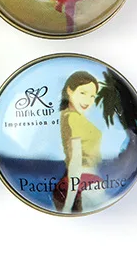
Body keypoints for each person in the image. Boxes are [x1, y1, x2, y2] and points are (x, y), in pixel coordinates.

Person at [53, 71, 104, 213]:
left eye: (92, 96)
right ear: (69, 90)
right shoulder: (73, 118)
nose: (88, 100)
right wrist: (67, 206)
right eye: (83, 93)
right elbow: (75, 160)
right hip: (81, 185)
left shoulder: (69, 116)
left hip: (81, 184)